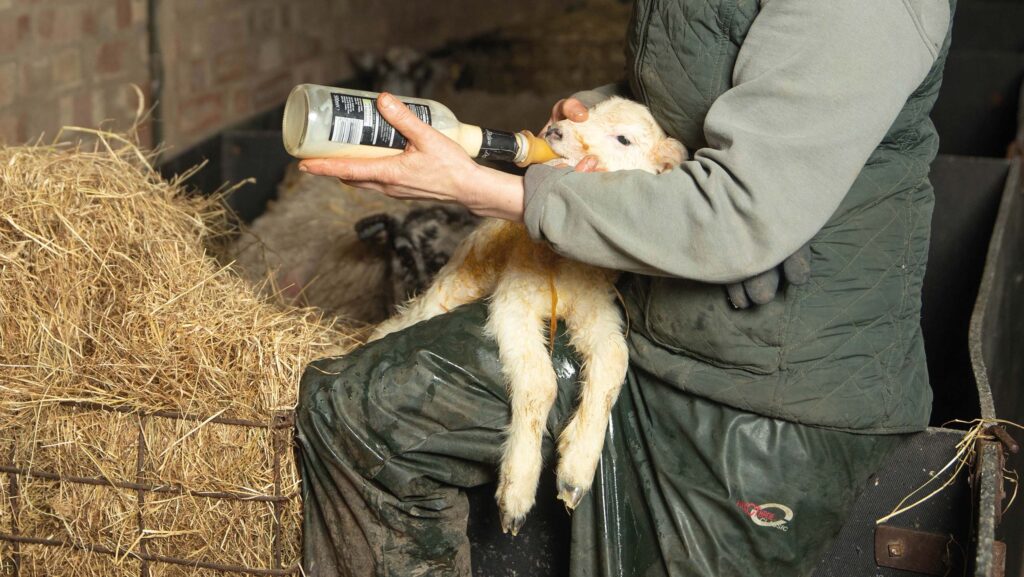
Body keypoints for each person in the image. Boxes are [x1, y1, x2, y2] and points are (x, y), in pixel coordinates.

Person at [293, 1, 954, 575]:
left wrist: (483, 189)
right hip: (642, 312)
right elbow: (720, 75)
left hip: (762, 388)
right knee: (356, 412)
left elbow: (738, 211)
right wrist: (607, 110)